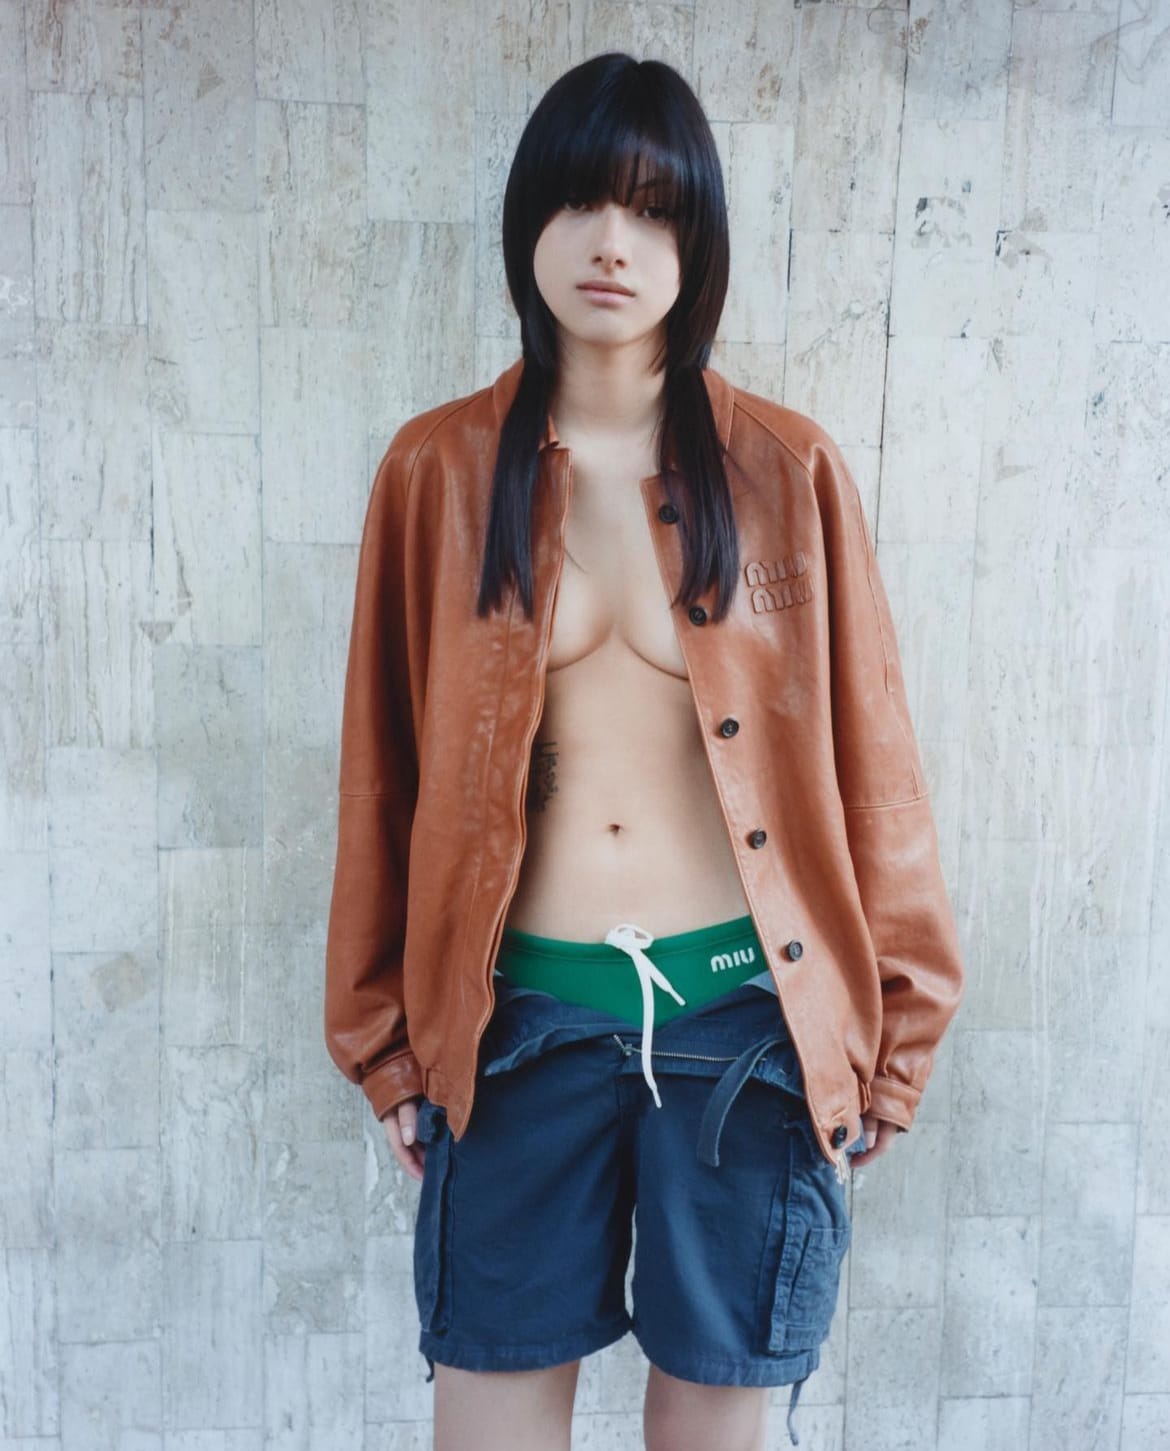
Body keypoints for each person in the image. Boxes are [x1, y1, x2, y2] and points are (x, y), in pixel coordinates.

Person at [323, 52, 965, 1451]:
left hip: (747, 1037)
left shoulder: (786, 470)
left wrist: (895, 1041)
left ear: (697, 241)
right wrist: (383, 1048)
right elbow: (381, 777)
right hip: (516, 1032)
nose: (612, 243)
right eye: (580, 203)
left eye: (654, 209)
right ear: (528, 224)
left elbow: (875, 768)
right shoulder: (435, 472)